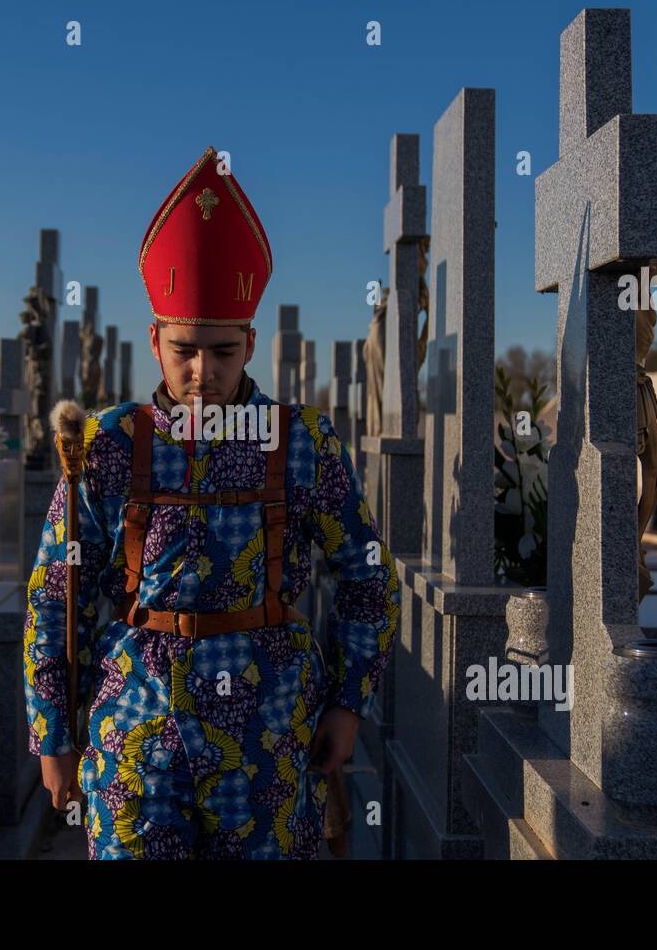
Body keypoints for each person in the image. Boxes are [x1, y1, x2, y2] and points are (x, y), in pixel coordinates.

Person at [23, 146, 401, 860]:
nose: (203, 374)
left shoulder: (302, 444)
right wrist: (52, 733)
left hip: (271, 739)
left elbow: (367, 575)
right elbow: (55, 594)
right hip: (134, 738)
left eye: (223, 352)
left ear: (250, 341)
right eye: (185, 350)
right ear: (155, 340)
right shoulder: (107, 444)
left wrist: (350, 702)